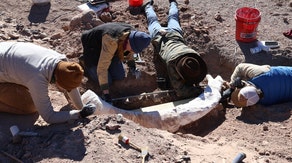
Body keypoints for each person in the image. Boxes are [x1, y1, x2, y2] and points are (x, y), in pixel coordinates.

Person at [0, 42, 96, 124]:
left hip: (5, 51)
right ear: (58, 82)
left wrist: (81, 107)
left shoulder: (61, 60)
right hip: (8, 62)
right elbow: (49, 117)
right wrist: (79, 114)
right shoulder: (37, 77)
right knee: (30, 105)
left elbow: (70, 81)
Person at [142, 0, 208, 99]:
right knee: (153, 21)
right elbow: (180, 91)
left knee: (173, 18)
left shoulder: (194, 56)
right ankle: (147, 7)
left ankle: (172, 3)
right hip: (160, 37)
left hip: (175, 33)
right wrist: (200, 91)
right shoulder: (172, 63)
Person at [80, 22, 151, 102]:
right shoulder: (111, 40)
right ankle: (85, 63)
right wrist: (106, 93)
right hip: (93, 47)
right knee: (108, 81)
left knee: (120, 75)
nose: (131, 51)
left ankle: (108, 59)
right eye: (131, 49)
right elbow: (102, 68)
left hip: (110, 49)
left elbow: (131, 51)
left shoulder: (133, 35)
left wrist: (132, 66)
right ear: (128, 41)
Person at [223, 63, 292, 107]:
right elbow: (240, 67)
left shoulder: (266, 102)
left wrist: (232, 85)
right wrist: (232, 85)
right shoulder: (261, 73)